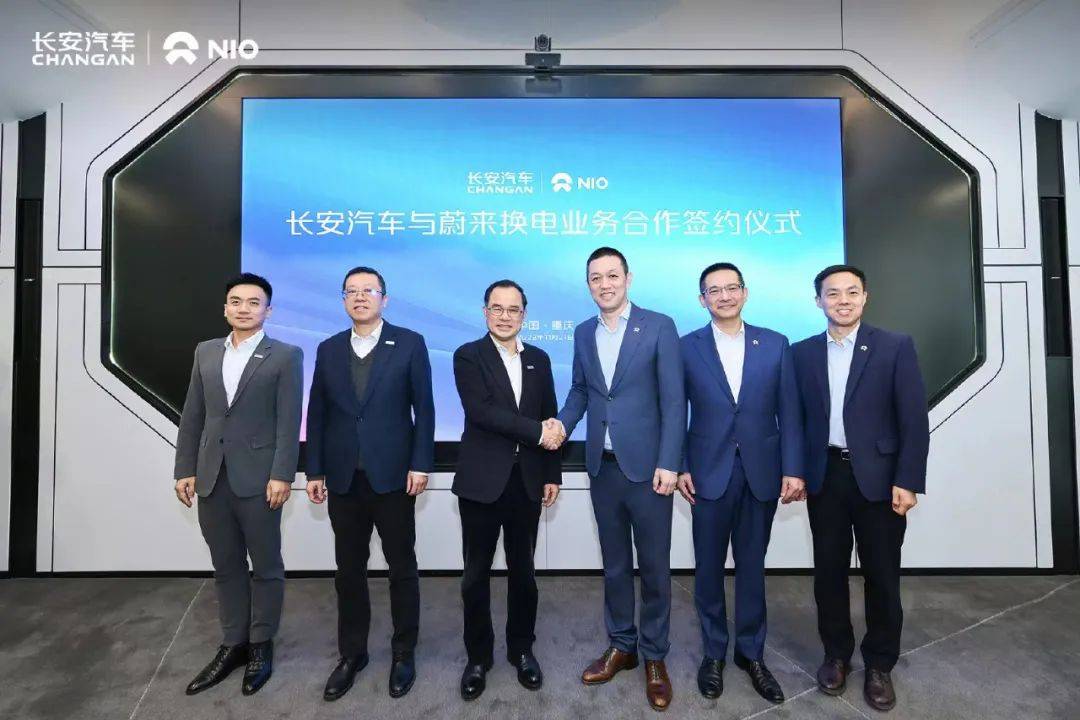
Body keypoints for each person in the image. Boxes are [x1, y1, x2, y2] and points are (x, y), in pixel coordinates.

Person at [550, 247, 685, 712]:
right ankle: (622, 645)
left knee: (655, 567)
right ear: (588, 284)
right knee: (613, 566)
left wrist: (670, 461)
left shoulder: (659, 326)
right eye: (595, 278)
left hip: (649, 470)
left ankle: (654, 655)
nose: (604, 284)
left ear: (628, 278)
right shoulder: (583, 332)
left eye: (612, 275)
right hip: (602, 468)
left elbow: (674, 399)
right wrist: (562, 424)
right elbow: (581, 391)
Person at [791, 264, 929, 713]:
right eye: (833, 293)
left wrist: (908, 479)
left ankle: (879, 664)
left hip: (881, 480)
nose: (843, 301)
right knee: (828, 573)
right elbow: (795, 420)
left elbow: (913, 419)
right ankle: (836, 655)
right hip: (826, 475)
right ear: (818, 301)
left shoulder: (894, 346)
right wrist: (796, 471)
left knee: (882, 575)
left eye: (852, 292)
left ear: (865, 297)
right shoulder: (802, 353)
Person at [304, 266, 435, 702]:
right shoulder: (328, 349)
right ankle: (352, 654)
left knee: (402, 568)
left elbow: (424, 409)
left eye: (369, 290)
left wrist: (421, 464)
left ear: (385, 299)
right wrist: (314, 471)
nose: (360, 297)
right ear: (343, 299)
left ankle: (404, 651)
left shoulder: (410, 343)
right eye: (352, 291)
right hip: (343, 479)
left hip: (394, 477)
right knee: (348, 572)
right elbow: (317, 414)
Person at [677, 262, 805, 705]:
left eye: (732, 288)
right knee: (708, 569)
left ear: (745, 293)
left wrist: (793, 468)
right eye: (714, 290)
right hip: (707, 472)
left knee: (752, 567)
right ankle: (713, 652)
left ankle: (751, 654)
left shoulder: (775, 343)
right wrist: (680, 465)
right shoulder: (686, 347)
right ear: (702, 300)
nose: (724, 296)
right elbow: (675, 410)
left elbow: (790, 411)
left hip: (761, 472)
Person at [174, 272, 303, 696]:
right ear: (225, 308)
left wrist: (282, 474)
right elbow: (193, 414)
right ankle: (233, 644)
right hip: (212, 476)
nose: (243, 308)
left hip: (261, 479)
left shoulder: (286, 355)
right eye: (236, 301)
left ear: (268, 310)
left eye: (253, 302)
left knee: (265, 566)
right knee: (226, 566)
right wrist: (184, 468)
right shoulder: (205, 351)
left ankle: (261, 644)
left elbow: (289, 422)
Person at [451, 279, 563, 700]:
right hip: (482, 482)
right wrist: (537, 432)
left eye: (513, 309)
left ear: (524, 315)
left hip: (527, 482)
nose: (504, 316)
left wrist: (552, 473)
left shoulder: (539, 359)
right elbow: (481, 412)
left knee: (524, 573)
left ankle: (522, 650)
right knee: (475, 576)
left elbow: (550, 414)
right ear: (485, 312)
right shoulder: (468, 355)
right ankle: (478, 657)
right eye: (496, 308)